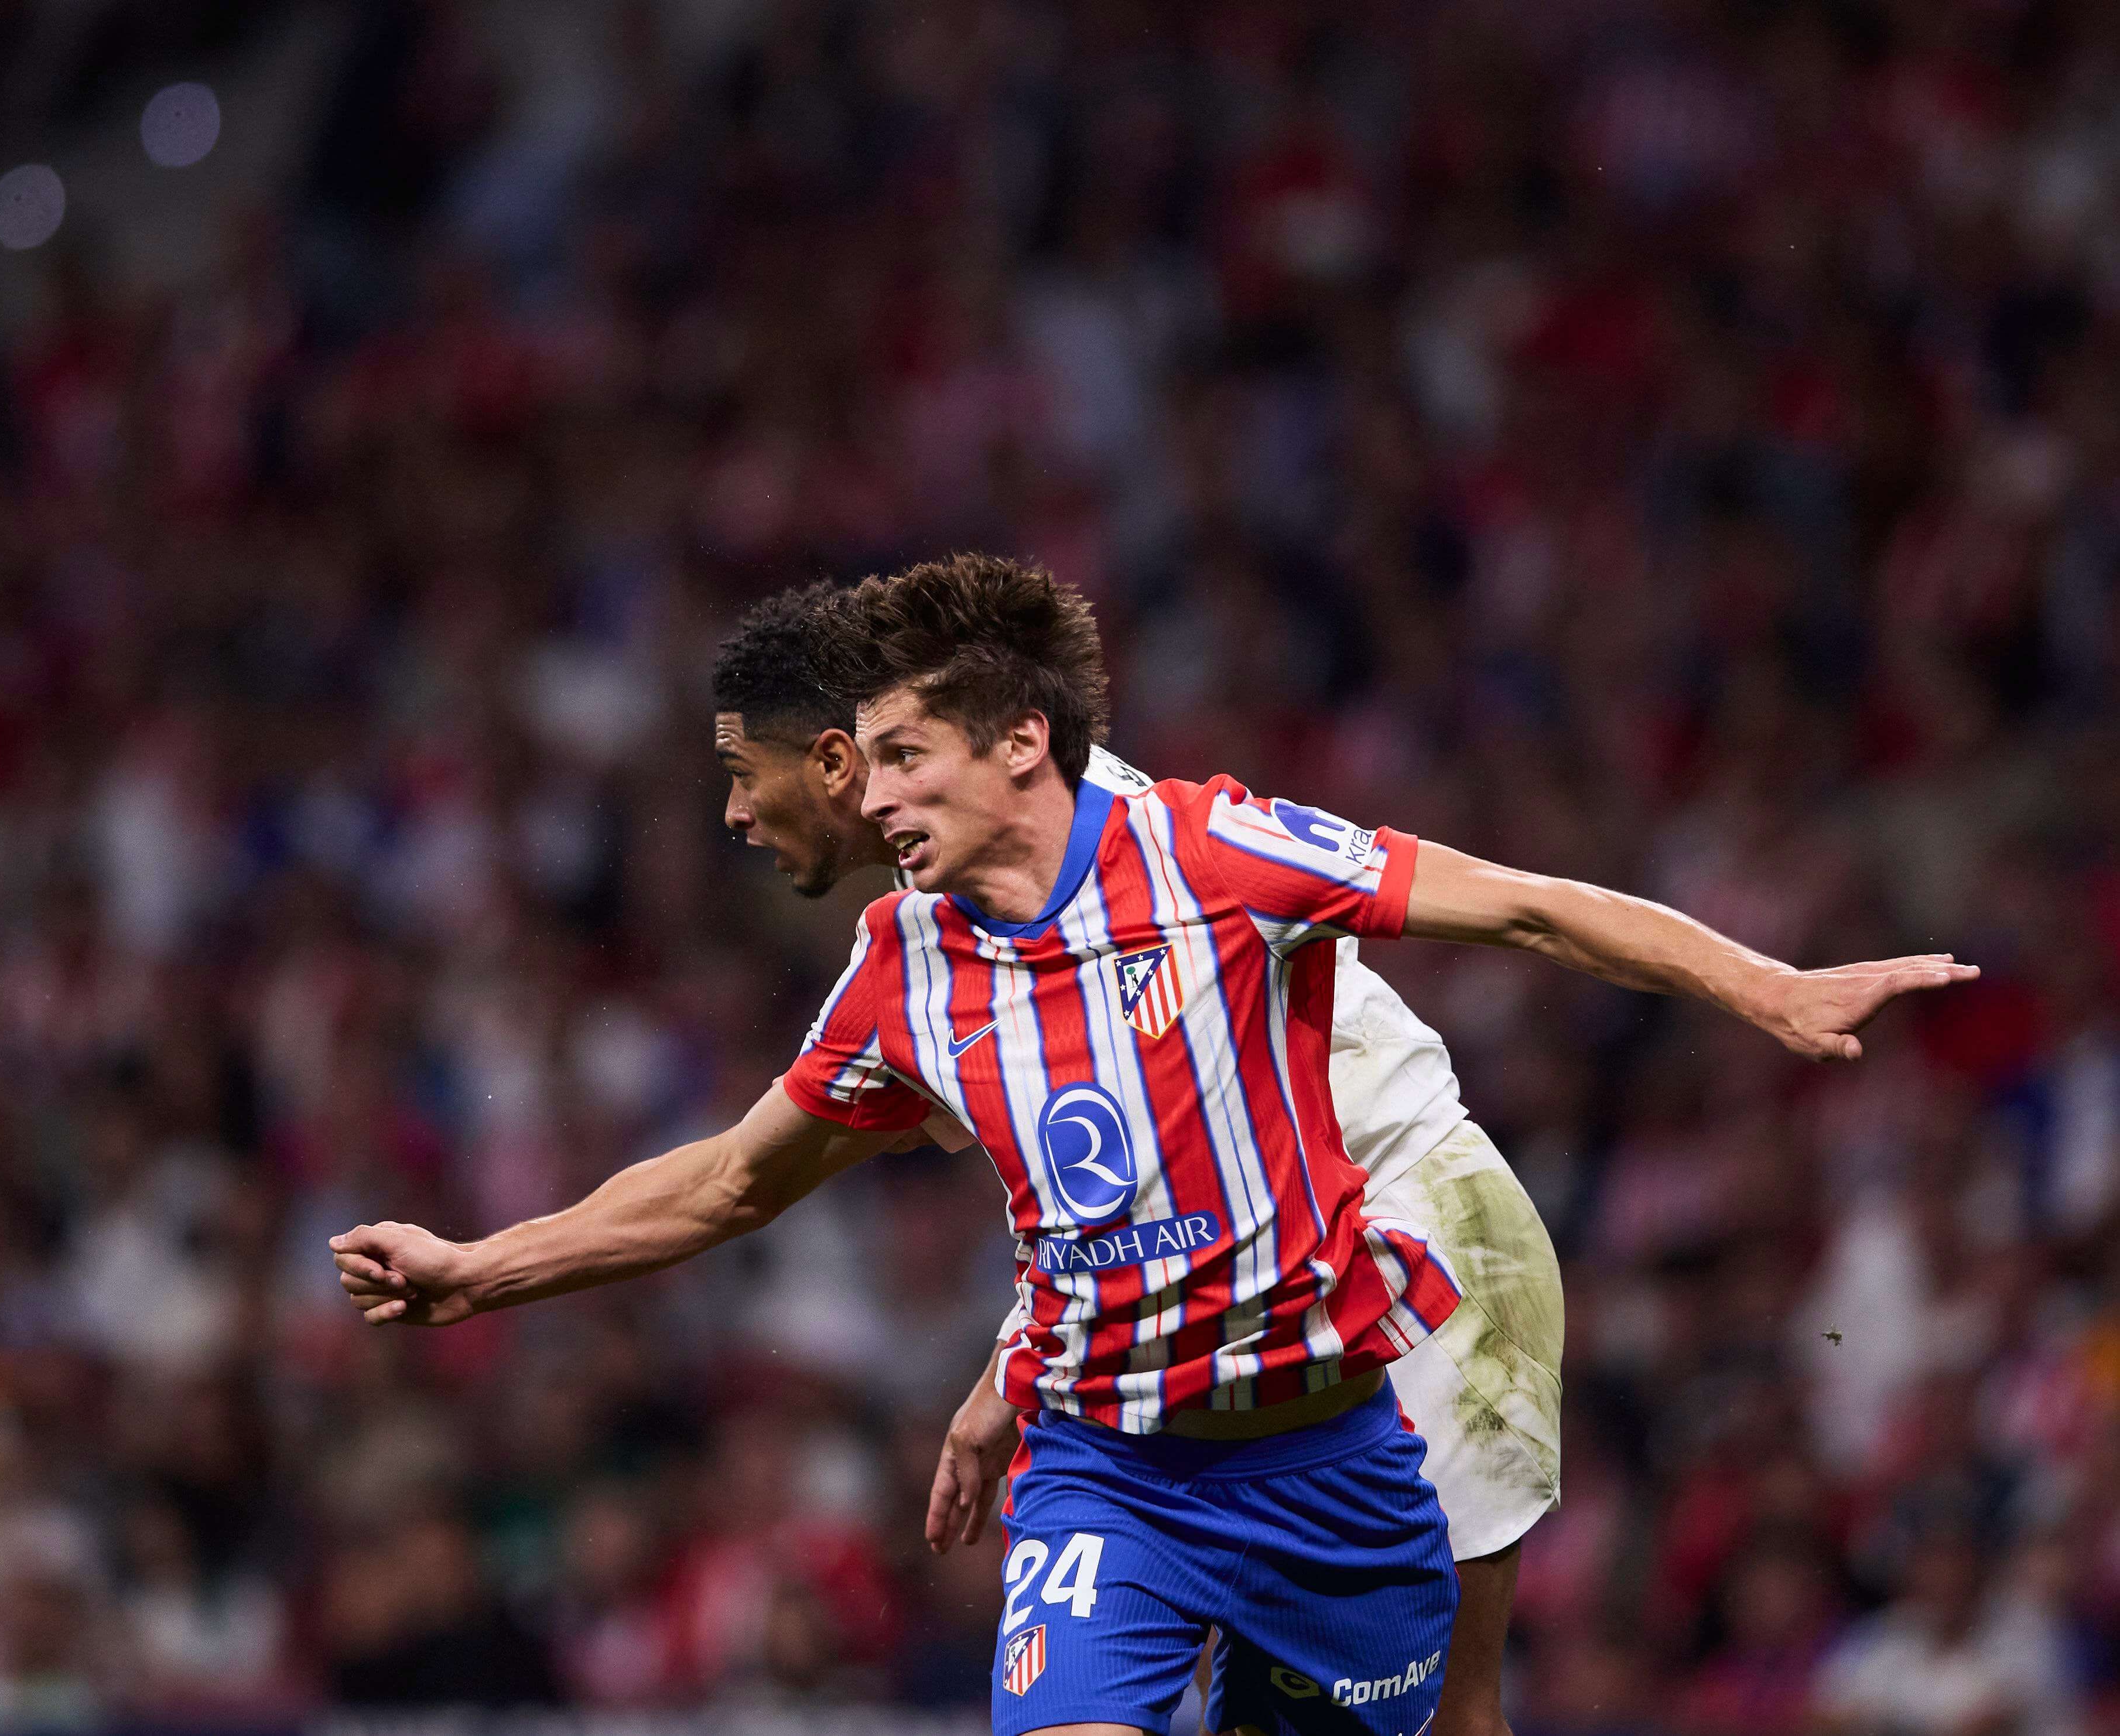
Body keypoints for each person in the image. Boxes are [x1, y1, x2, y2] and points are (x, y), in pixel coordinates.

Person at [332, 556, 1974, 1736]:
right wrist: (485, 1269)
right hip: (1128, 1441)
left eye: (772, 772)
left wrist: (1765, 985)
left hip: (1403, 1265)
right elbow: (776, 1178)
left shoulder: (1202, 857)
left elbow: (1514, 914)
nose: (740, 812)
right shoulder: (913, 955)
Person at [707, 582, 1561, 1736]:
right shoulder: (954, 891)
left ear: (835, 759)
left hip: (1423, 1233)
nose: (735, 813)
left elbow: (1160, 1130)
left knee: (1456, 1724)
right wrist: (1016, 1360)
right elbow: (1098, 1180)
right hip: (1233, 1328)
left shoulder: (1094, 838)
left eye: (744, 774)